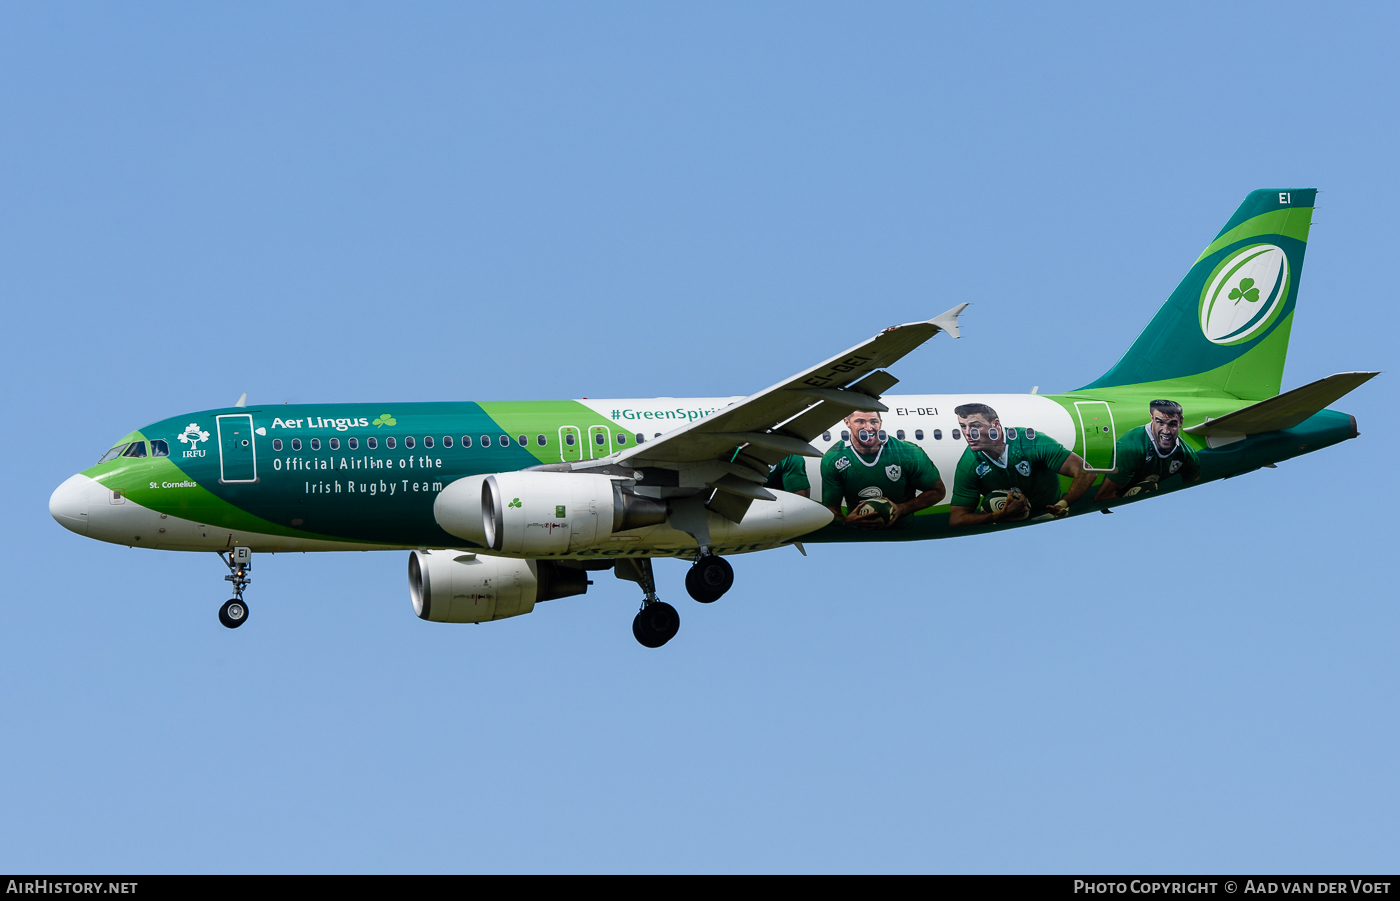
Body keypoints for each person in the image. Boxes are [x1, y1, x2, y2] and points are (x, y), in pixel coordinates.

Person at [948, 402, 1096, 527]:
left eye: (975, 426)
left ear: (995, 424)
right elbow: (957, 518)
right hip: (1009, 525)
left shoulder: (1030, 441)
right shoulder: (969, 464)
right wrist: (998, 515)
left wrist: (1062, 504)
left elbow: (1086, 472)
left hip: (1048, 517)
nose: (967, 433)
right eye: (962, 426)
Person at [820, 410, 945, 529]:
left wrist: (902, 508)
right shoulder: (834, 459)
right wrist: (847, 522)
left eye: (873, 422)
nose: (868, 428)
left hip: (902, 528)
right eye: (860, 422)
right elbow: (831, 509)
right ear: (847, 423)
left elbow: (938, 491)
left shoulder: (907, 452)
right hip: (857, 531)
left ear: (880, 422)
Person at [1095, 400, 1201, 501]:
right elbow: (1103, 497)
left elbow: (1193, 490)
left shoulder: (1187, 455)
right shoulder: (1131, 447)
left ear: (1181, 421)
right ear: (1151, 418)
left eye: (1172, 424)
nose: (1166, 431)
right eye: (1160, 422)